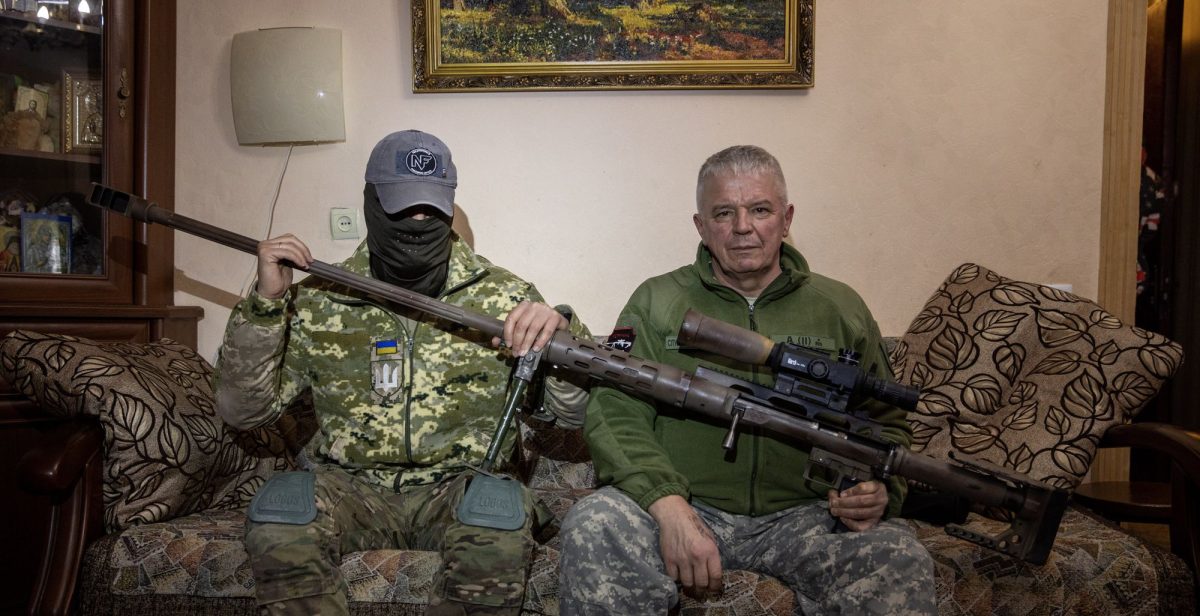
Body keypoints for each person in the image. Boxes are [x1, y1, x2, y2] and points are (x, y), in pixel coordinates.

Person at [214, 129, 590, 616]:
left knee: (498, 518)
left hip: (460, 485)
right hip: (350, 487)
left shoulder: (504, 299)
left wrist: (561, 332)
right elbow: (243, 411)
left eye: (431, 209)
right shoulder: (323, 297)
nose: (417, 221)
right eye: (401, 207)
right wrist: (266, 304)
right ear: (370, 202)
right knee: (280, 514)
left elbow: (573, 414)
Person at [558, 145, 935, 615]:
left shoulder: (841, 307)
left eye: (759, 209)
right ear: (700, 225)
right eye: (723, 213)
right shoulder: (658, 300)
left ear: (786, 217)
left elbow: (887, 427)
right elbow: (616, 413)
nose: (742, 227)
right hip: (692, 505)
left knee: (897, 559)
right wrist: (667, 504)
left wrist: (878, 491)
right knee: (595, 523)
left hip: (809, 515)